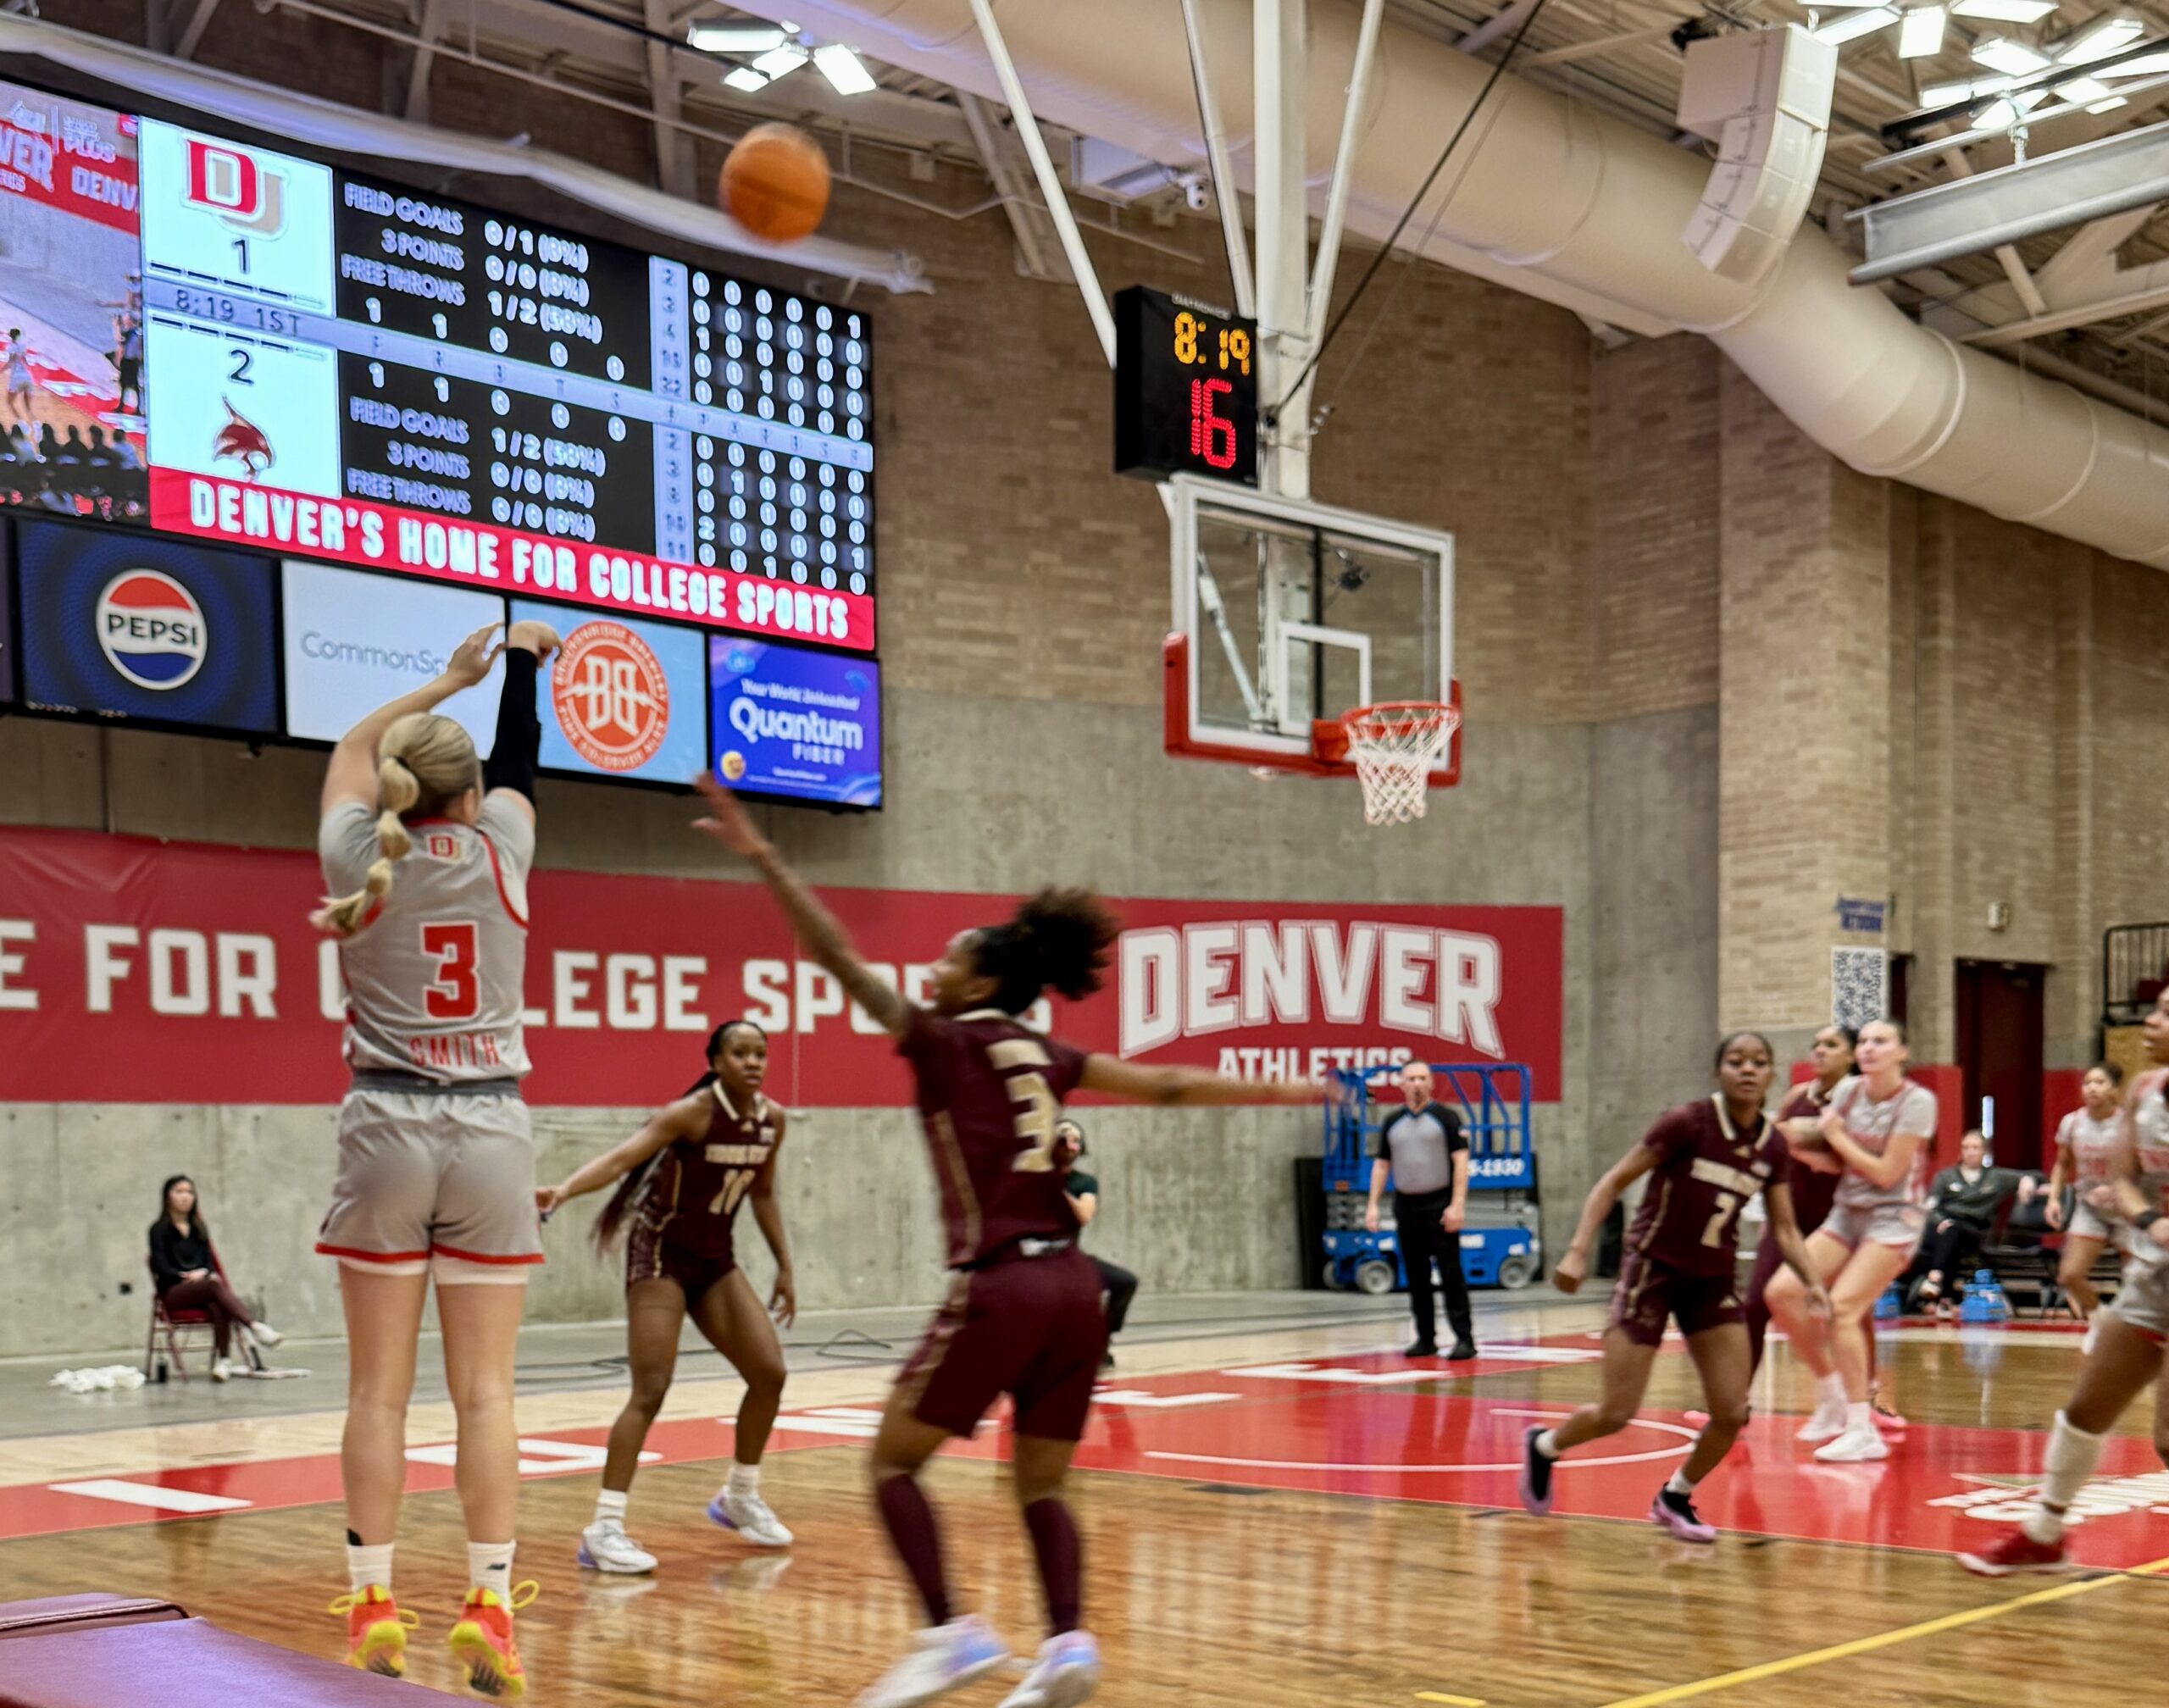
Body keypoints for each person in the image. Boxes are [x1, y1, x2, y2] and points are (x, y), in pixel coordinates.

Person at [686, 774, 1329, 1708]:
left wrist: (767, 859)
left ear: (979, 982)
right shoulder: (1048, 1054)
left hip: (1003, 1287)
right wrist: (1299, 1090)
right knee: (1040, 1486)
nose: (931, 973)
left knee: (892, 1463)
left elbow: (837, 959)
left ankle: (949, 1633)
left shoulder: (945, 1039)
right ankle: (1066, 1642)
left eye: (946, 960)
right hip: (1075, 1292)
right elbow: (1173, 1090)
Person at [309, 618, 557, 1694]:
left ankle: (373, 1599)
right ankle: (488, 1610)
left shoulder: (356, 855)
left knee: (377, 1393)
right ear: (469, 795)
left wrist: (436, 681)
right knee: (485, 1394)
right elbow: (518, 761)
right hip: (490, 1132)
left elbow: (345, 759)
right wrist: (511, 669)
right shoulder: (504, 841)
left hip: (386, 1129)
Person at [1522, 1034, 1830, 1542]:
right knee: (1617, 1412)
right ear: (1718, 1073)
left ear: (1772, 1074)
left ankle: (1675, 1496)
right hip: (1653, 1271)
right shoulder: (1687, 1123)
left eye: (1759, 1063)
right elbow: (1612, 1181)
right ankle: (1544, 1447)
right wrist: (1578, 1249)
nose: (1748, 1070)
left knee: (1732, 1411)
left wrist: (1812, 1281)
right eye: (1736, 1062)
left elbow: (1786, 1227)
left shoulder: (1773, 1146)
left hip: (1710, 1281)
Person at [537, 1018, 796, 1572]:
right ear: (717, 1062)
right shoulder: (692, 1114)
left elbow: (766, 1194)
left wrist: (785, 1266)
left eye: (760, 1053)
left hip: (715, 1261)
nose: (753, 1062)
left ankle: (739, 1496)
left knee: (770, 1373)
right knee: (651, 1387)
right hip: (660, 1257)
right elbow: (619, 1161)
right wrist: (562, 1190)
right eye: (740, 1053)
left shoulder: (771, 1121)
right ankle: (603, 1529)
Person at [1959, 990, 2169, 1576]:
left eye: (2167, 1014)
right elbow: (2124, 1178)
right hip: (2156, 1275)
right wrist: (2152, 1221)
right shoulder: (2148, 1091)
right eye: (2154, 1009)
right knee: (2086, 1407)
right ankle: (2045, 1532)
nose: (2150, 1021)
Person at [1762, 1018, 1937, 1465]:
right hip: (1848, 1212)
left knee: (1842, 1308)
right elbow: (1826, 1149)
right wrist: (1775, 1136)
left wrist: (1837, 1138)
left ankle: (1863, 1429)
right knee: (1782, 1292)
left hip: (1894, 1218)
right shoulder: (1849, 1092)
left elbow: (1885, 1173)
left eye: (1881, 1041)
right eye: (1864, 1041)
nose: (1869, 1048)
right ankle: (1832, 1392)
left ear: (1903, 1052)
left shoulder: (1918, 1102)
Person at [1362, 1062, 1475, 1361]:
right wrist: (1372, 1205)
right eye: (1411, 1079)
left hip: (1439, 1204)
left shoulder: (1446, 1118)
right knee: (1416, 1275)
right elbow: (1382, 1165)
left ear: (1431, 1083)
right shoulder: (1392, 1122)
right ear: (1401, 1084)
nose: (1417, 1084)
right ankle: (1426, 1337)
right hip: (1406, 1205)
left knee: (1451, 1273)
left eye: (1422, 1078)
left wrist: (1457, 1204)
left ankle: (1464, 1338)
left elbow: (1461, 1162)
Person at [148, 1174, 285, 1381]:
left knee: (217, 1303)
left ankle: (224, 1363)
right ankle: (254, 1327)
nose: (186, 1197)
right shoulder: (159, 1230)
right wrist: (185, 1276)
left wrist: (202, 1273)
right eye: (179, 1192)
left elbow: (209, 1264)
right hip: (173, 1291)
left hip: (203, 1287)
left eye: (189, 1192)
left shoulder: (199, 1228)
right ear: (168, 1197)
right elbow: (160, 1266)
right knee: (213, 1286)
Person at [2045, 1062, 2126, 1328]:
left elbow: (2144, 1169)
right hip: (2090, 1207)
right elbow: (2062, 1164)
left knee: (2140, 1280)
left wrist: (2117, 1188)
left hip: (2127, 1208)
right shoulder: (2072, 1123)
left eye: (2100, 1082)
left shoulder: (2128, 1124)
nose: (2092, 1088)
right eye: (2088, 1082)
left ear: (2114, 1090)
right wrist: (2053, 1199)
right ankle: (2101, 1321)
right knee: (2069, 1274)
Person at [1055, 1120, 1136, 1371]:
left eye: (1076, 1140)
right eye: (1064, 1138)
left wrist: (1055, 1187)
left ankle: (1100, 1344)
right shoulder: (1029, 1181)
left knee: (1124, 1281)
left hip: (1070, 1258)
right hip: (1034, 1260)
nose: (1071, 1145)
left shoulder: (1084, 1183)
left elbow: (1084, 1215)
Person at [1911, 1132, 2016, 1316]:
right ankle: (1943, 1298)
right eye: (1966, 1147)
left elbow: (2035, 1176)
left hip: (1974, 1231)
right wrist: (1941, 1221)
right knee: (1944, 1235)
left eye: (1975, 1148)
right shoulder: (1945, 1177)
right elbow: (1930, 1206)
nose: (1970, 1152)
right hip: (1943, 1226)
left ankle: (1935, 1284)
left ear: (1984, 1151)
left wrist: (2029, 1182)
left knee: (1952, 1233)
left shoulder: (1996, 1177)